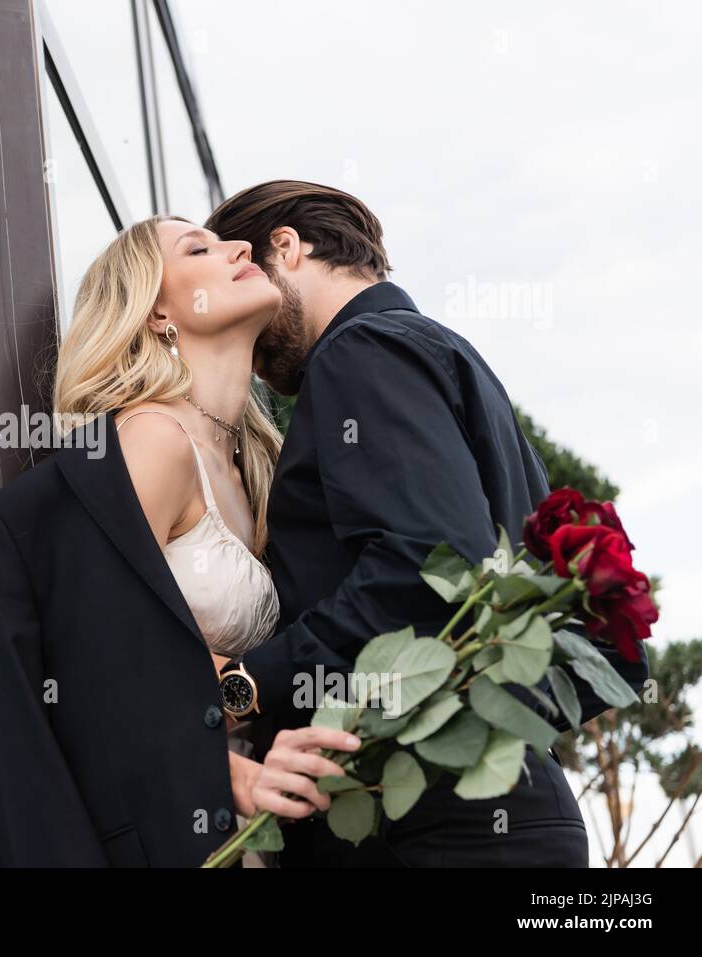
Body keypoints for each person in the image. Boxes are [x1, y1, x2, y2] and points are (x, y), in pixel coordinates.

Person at [203, 180, 651, 866]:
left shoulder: (363, 352)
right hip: (487, 806)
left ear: (286, 248)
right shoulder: (444, 358)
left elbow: (423, 567)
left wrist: (248, 683)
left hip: (436, 825)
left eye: (243, 272)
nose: (254, 348)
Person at [0, 215, 359, 867]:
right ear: (156, 312)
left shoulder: (255, 465)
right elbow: (96, 652)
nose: (241, 246)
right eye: (199, 247)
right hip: (175, 828)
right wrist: (234, 777)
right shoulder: (152, 439)